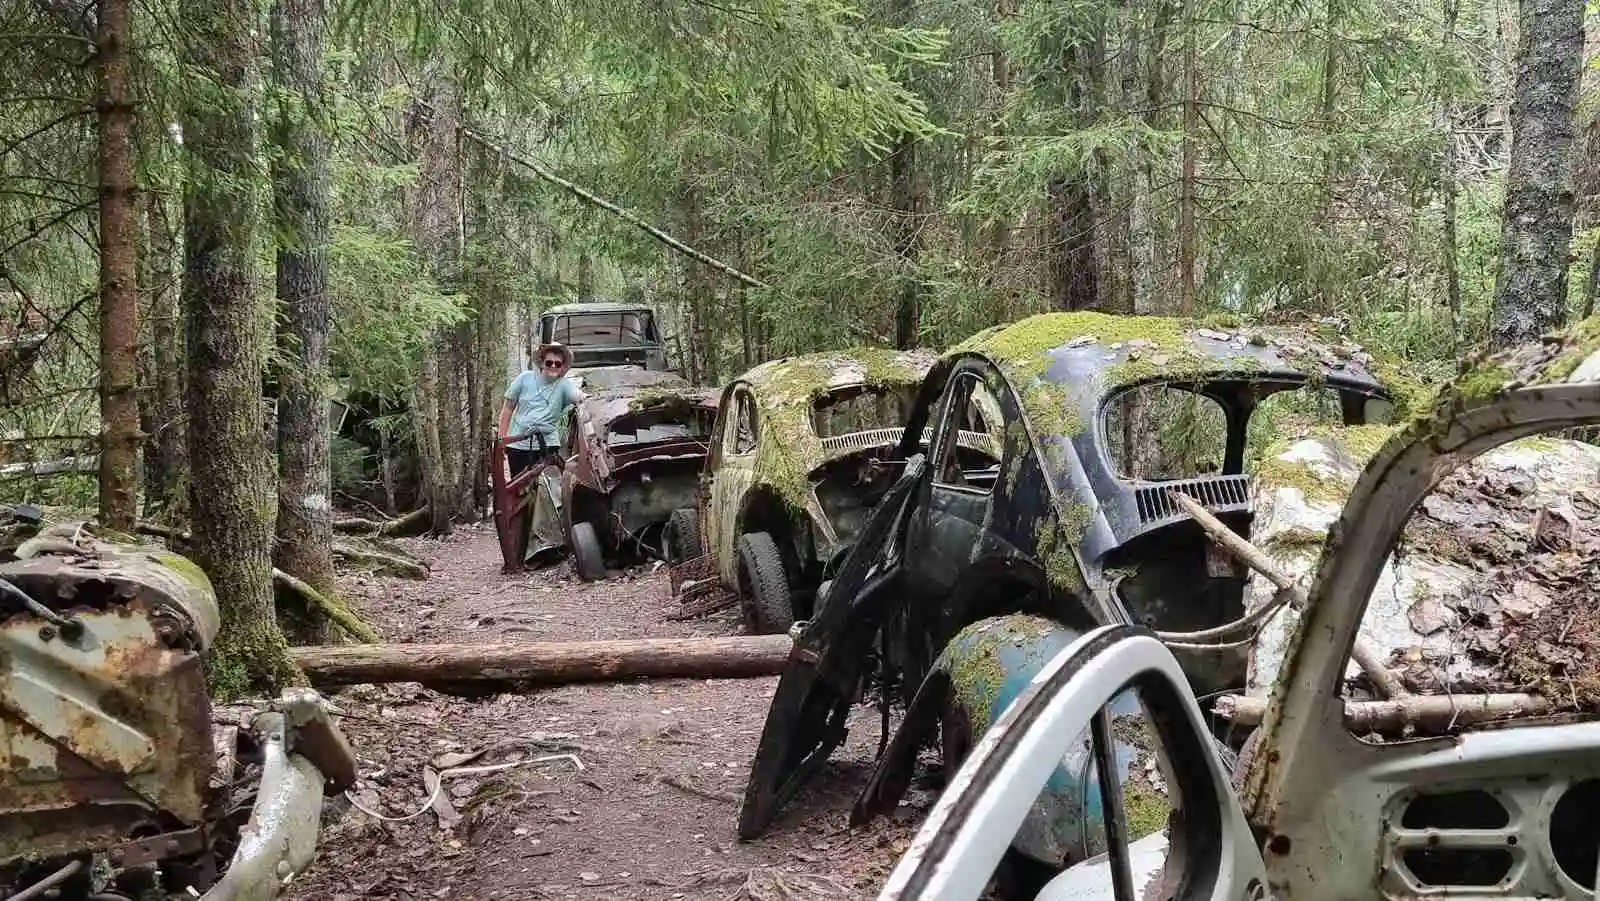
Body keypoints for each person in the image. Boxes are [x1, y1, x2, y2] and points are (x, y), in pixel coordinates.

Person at [499, 343, 584, 476]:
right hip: (518, 444)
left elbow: (578, 396)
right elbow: (508, 408)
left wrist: (585, 397)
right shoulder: (525, 378)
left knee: (548, 482)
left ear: (562, 366)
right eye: (549, 362)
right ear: (542, 363)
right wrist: (502, 439)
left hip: (548, 446)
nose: (553, 366)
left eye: (558, 364)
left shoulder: (563, 385)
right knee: (520, 483)